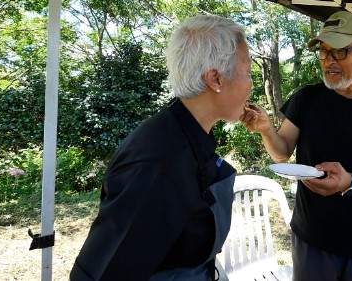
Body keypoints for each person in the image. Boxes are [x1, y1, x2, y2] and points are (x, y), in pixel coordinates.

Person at [71, 15, 253, 280]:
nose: (251, 84)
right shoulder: (155, 164)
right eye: (247, 72)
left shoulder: (188, 134)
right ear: (215, 79)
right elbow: (102, 272)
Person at [241, 11, 352, 281]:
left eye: (340, 52)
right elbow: (282, 150)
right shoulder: (306, 99)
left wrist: (349, 182)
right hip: (310, 237)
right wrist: (266, 130)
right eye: (324, 52)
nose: (329, 62)